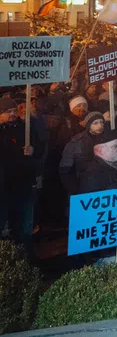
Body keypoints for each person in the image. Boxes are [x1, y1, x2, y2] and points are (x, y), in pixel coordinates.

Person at [80, 132, 117, 265]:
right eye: (114, 146)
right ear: (99, 150)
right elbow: (90, 206)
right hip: (107, 243)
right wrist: (113, 192)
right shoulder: (92, 173)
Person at [0, 97, 40, 250]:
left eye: (13, 111)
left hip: (23, 185)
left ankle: (24, 258)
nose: (11, 114)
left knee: (23, 227)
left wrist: (33, 149)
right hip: (3, 187)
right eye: (7, 111)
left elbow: (39, 146)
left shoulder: (25, 128)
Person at [58, 112, 105, 196]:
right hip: (83, 189)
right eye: (95, 123)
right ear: (88, 125)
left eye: (101, 122)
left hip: (104, 188)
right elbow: (65, 170)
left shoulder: (108, 140)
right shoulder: (76, 142)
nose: (100, 126)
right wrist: (74, 190)